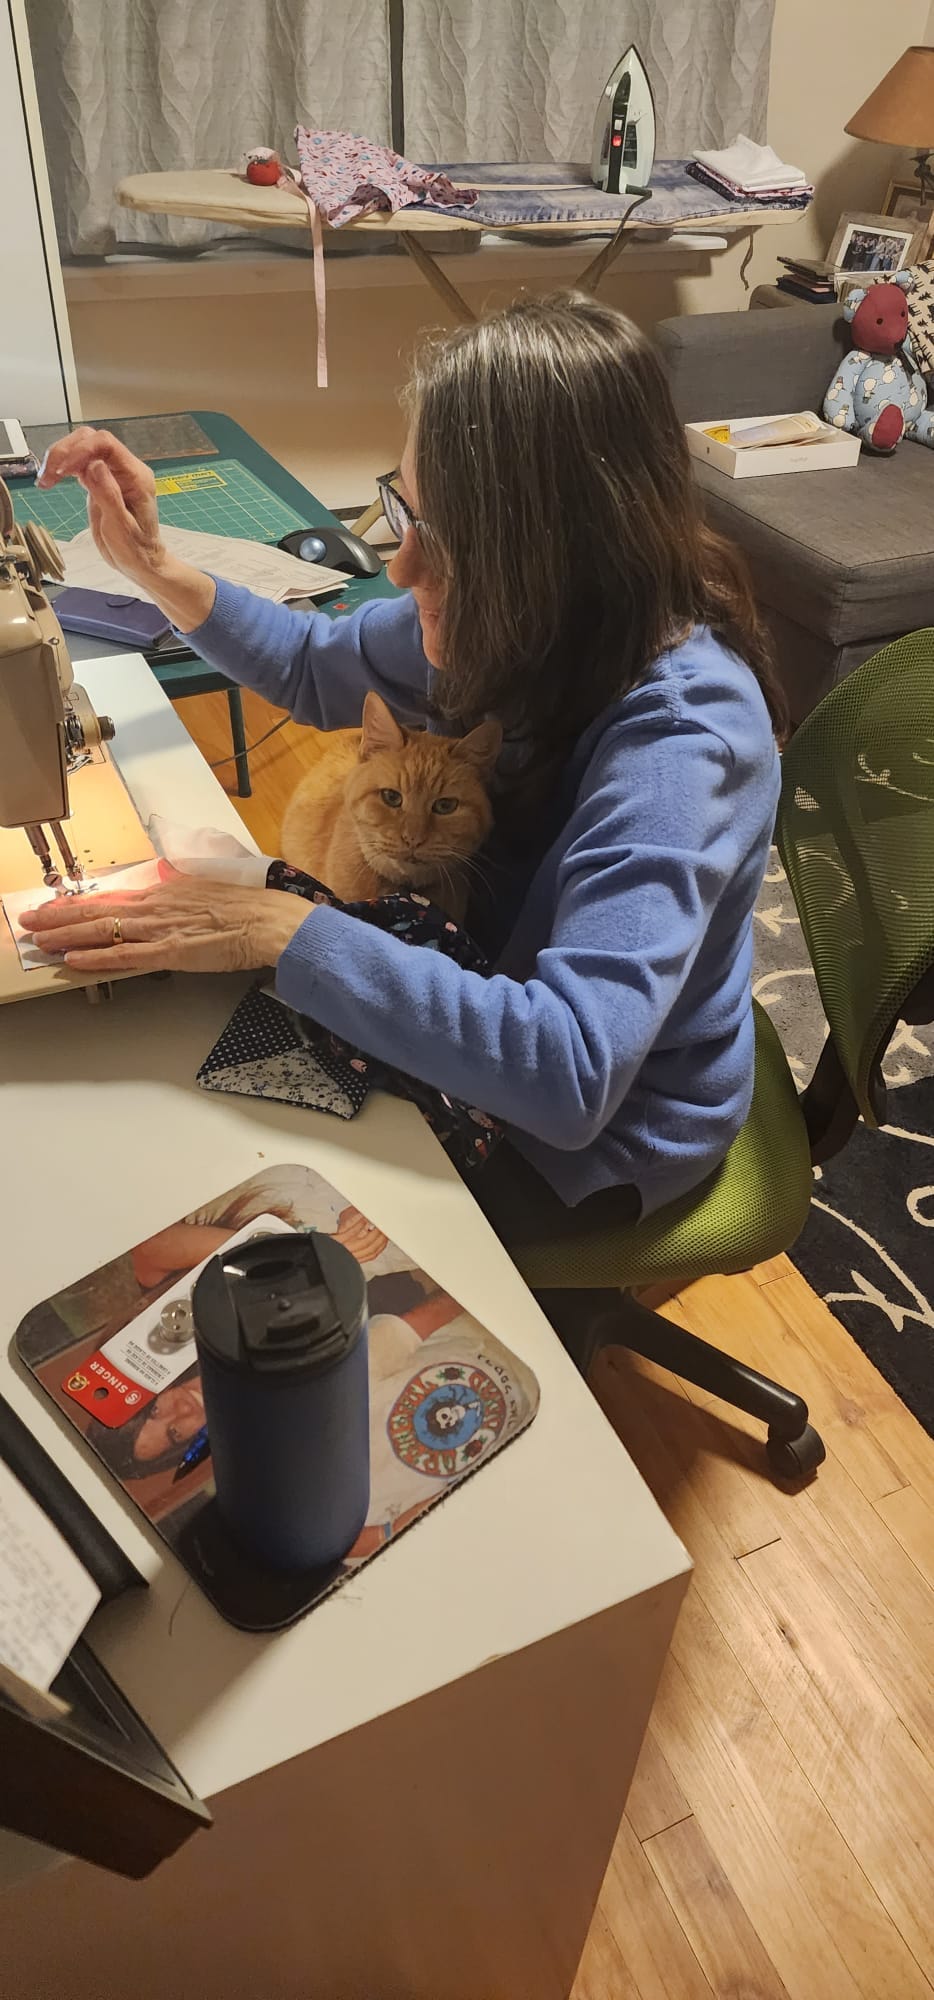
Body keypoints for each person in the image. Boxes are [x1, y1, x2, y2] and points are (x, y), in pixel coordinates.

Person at [24, 291, 784, 1246]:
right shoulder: (513, 622)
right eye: (404, 511)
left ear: (555, 557)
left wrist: (281, 930)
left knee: (215, 1202)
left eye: (447, 539)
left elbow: (570, 1072)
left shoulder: (681, 742)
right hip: (480, 980)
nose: (401, 568)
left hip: (597, 1138)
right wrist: (153, 568)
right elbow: (312, 663)